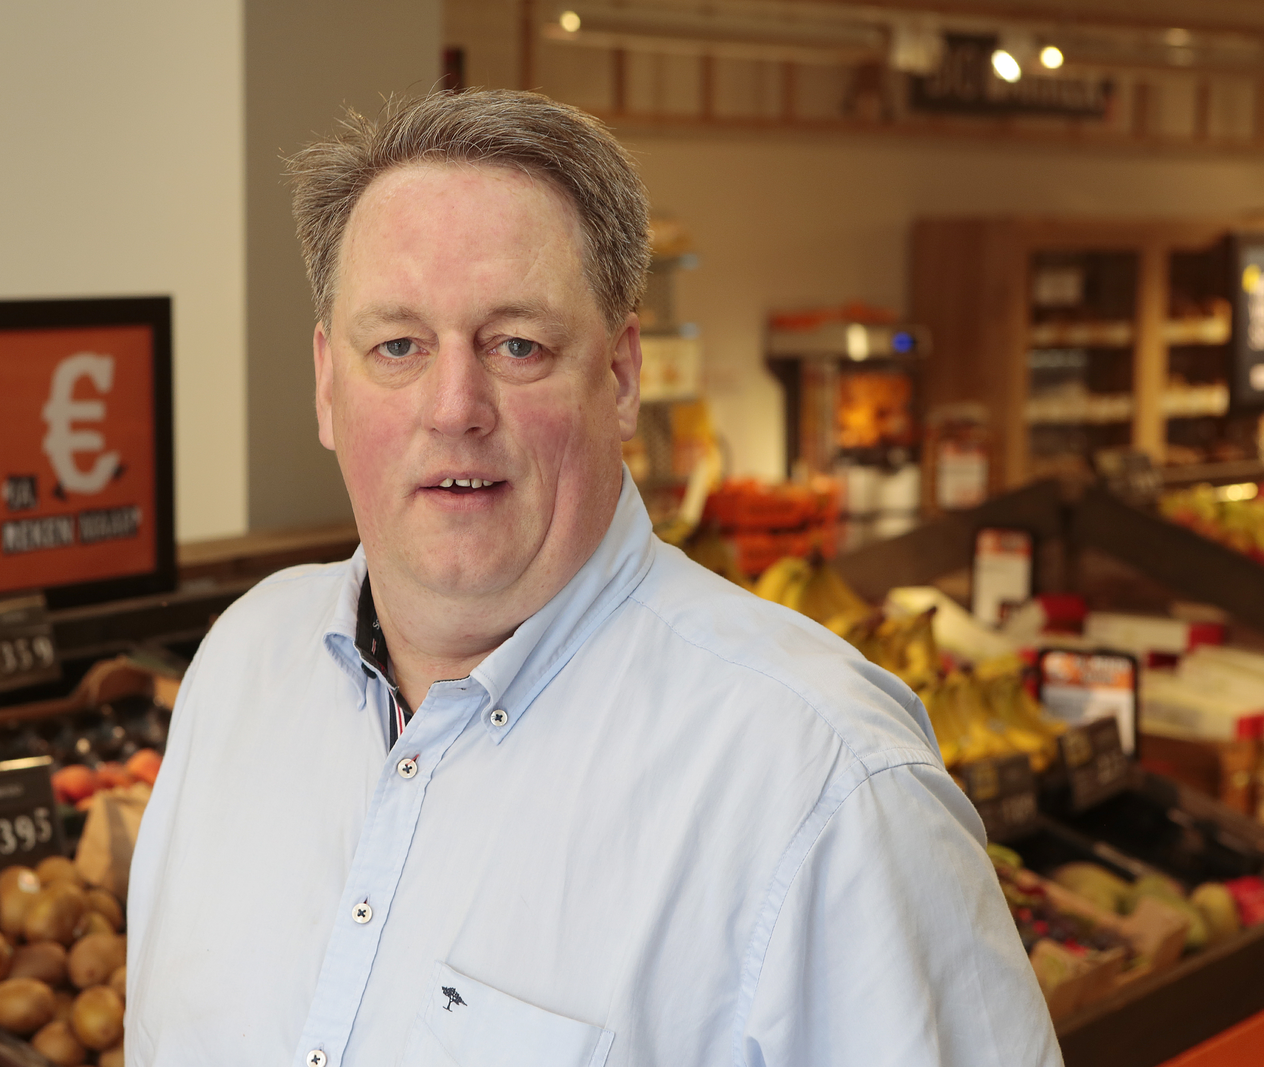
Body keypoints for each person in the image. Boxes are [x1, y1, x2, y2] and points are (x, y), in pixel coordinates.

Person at [125, 88, 1060, 1067]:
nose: (453, 407)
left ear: (620, 377)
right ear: (327, 383)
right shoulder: (240, 666)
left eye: (516, 344)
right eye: (396, 345)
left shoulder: (823, 781)